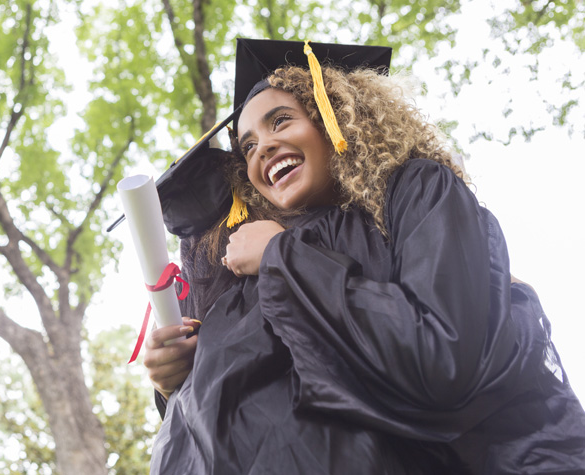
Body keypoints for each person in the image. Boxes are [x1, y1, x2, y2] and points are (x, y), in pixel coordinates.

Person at [140, 39, 585, 474]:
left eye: (280, 121)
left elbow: (441, 356)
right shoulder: (260, 259)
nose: (264, 148)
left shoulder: (418, 191)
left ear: (331, 117)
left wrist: (282, 257)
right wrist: (176, 381)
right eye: (249, 146)